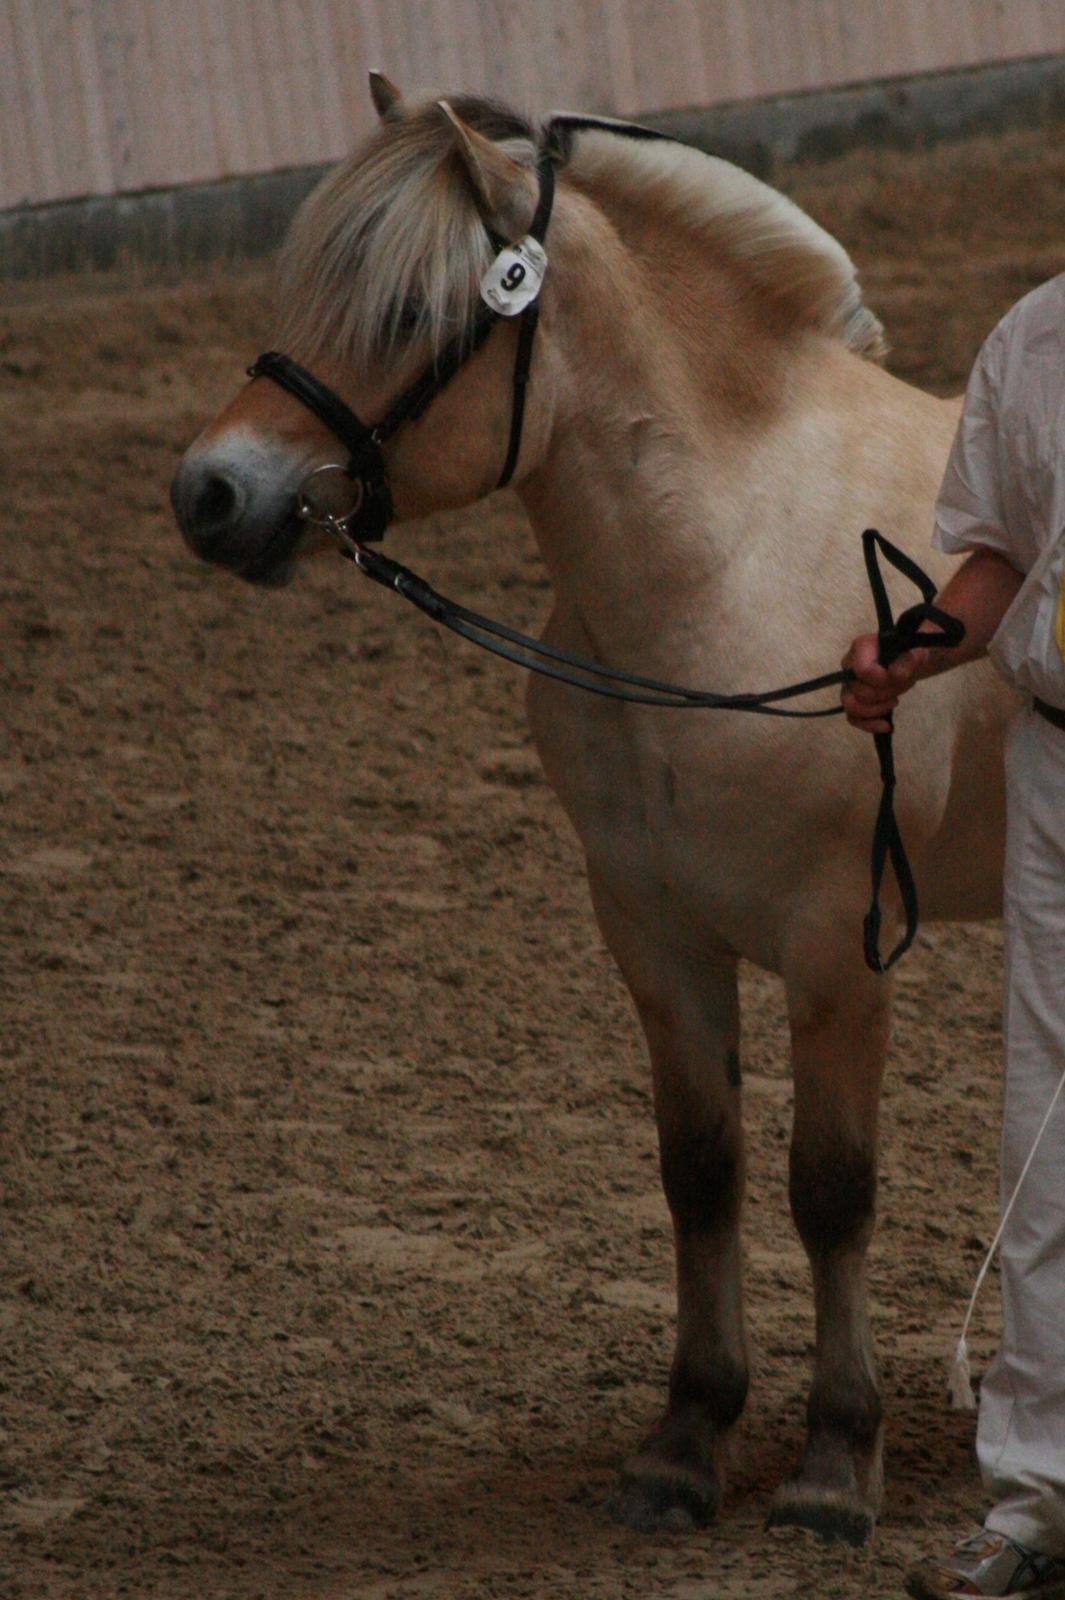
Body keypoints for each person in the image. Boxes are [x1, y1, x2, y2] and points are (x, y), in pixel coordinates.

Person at [842, 275, 1065, 1600]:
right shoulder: (1031, 340)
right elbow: (1005, 561)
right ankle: (1039, 1494)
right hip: (1055, 772)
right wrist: (912, 650)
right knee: (1044, 1135)